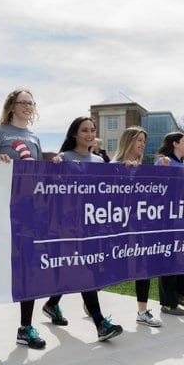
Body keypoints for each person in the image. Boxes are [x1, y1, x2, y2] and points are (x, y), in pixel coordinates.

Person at [0, 87, 49, 349]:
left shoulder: (35, 138)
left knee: (28, 269)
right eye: (22, 102)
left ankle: (25, 328)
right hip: (0, 210)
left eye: (31, 102)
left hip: (28, 213)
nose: (28, 106)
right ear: (11, 106)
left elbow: (38, 177)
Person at [45, 116, 123, 341]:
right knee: (84, 271)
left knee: (77, 269)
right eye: (84, 130)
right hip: (67, 227)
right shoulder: (64, 158)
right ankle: (100, 324)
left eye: (92, 130)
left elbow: (109, 188)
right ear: (74, 134)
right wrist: (55, 168)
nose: (90, 134)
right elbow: (50, 190)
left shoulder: (99, 161)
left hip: (90, 226)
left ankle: (51, 304)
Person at [110, 126, 162, 328]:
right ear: (128, 141)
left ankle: (142, 311)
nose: (142, 145)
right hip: (116, 227)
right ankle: (56, 301)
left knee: (143, 266)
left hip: (138, 226)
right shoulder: (114, 166)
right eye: (139, 140)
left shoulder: (143, 168)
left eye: (144, 141)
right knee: (106, 266)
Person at [154, 132, 184, 316]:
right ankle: (167, 303)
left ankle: (182, 293)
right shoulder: (163, 162)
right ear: (175, 144)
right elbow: (156, 188)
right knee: (169, 259)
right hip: (167, 219)